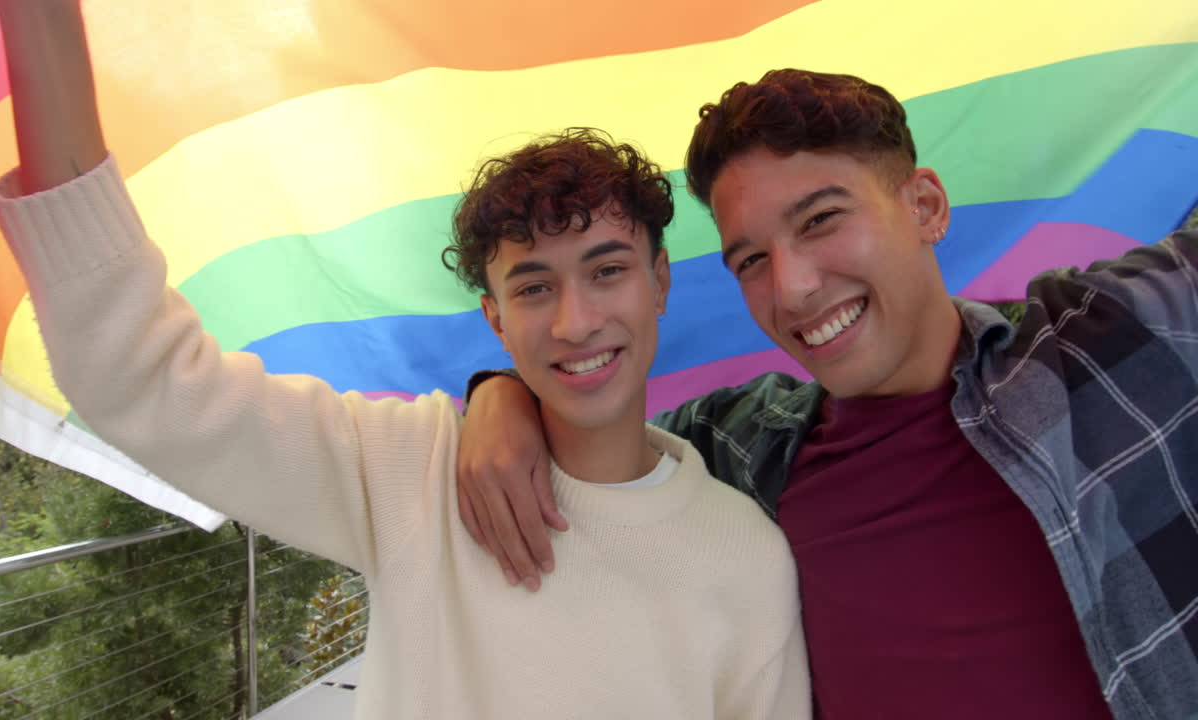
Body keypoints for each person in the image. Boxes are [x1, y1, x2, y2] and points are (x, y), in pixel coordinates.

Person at [0, 3, 810, 718]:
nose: (576, 321)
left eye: (607, 270)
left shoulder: (745, 557)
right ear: (493, 318)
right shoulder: (408, 473)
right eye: (532, 288)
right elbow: (136, 377)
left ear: (659, 281)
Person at [458, 69, 1198, 719]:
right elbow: (601, 425)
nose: (794, 287)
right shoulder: (744, 447)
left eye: (820, 220)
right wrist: (504, 397)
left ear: (926, 206)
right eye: (751, 259)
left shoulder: (1108, 342)